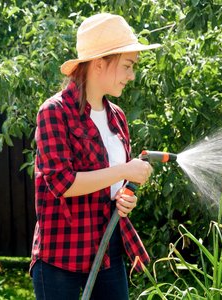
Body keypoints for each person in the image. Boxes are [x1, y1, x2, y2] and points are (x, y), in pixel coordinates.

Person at [30, 13, 161, 300]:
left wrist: (125, 197)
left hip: (107, 252)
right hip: (60, 257)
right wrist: (124, 170)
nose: (132, 75)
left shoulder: (118, 117)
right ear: (100, 64)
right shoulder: (54, 112)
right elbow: (62, 183)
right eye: (127, 66)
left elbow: (114, 185)